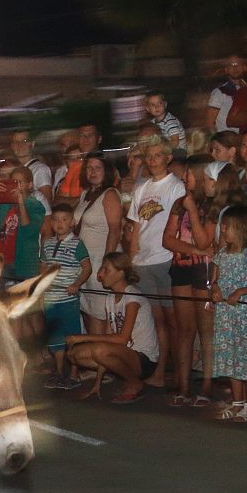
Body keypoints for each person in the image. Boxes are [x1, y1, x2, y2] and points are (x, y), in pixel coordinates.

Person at [124, 141, 185, 390]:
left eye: (158, 155)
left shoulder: (176, 186)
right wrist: (132, 256)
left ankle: (179, 374)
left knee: (174, 320)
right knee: (158, 320)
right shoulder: (142, 189)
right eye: (149, 156)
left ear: (168, 157)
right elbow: (136, 226)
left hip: (165, 257)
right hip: (144, 260)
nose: (153, 160)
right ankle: (161, 371)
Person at [66, 252, 159, 405]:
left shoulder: (133, 298)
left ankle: (135, 383)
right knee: (74, 354)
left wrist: (82, 337)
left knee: (98, 350)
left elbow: (122, 339)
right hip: (124, 352)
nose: (101, 274)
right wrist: (97, 384)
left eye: (106, 270)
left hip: (144, 358)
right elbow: (108, 341)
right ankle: (126, 379)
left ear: (121, 273)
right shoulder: (110, 298)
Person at [163, 156, 216, 406]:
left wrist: (192, 209)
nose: (185, 178)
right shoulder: (179, 203)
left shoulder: (210, 206)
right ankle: (183, 385)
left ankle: (206, 383)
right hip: (182, 267)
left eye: (189, 175)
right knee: (185, 329)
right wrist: (194, 251)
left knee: (206, 331)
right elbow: (167, 239)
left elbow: (205, 240)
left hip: (203, 271)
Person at [209, 205, 247, 422]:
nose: (223, 230)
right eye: (223, 226)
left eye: (228, 227)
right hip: (226, 314)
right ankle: (237, 402)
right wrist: (215, 290)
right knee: (231, 357)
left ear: (241, 228)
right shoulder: (221, 254)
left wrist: (241, 292)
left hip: (244, 314)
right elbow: (214, 280)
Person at [40, 204, 91, 388]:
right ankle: (59, 371)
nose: (59, 223)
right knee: (55, 336)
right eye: (55, 219)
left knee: (71, 336)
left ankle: (74, 374)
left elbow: (87, 267)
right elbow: (43, 266)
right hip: (50, 299)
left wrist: (76, 284)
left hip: (68, 299)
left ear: (72, 222)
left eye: (64, 219)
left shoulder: (77, 244)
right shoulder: (47, 243)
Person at [73, 155, 123, 334]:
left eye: (97, 168)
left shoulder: (109, 194)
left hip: (100, 262)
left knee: (101, 315)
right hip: (86, 264)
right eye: (89, 168)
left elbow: (115, 230)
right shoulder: (85, 194)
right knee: (89, 313)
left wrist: (107, 264)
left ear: (106, 171)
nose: (92, 172)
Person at [207, 54, 247, 133]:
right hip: (226, 140)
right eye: (231, 65)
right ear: (226, 69)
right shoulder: (220, 92)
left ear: (244, 67)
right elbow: (209, 123)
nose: (235, 67)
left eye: (238, 64)